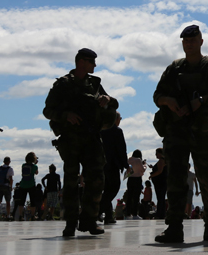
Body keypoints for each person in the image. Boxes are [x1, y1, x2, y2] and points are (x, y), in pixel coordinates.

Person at [153, 24, 208, 243]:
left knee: (206, 176)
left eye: (192, 40)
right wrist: (168, 101)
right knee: (176, 179)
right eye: (185, 41)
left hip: (202, 131)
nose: (188, 44)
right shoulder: (174, 68)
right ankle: (174, 228)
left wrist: (201, 101)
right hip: (176, 130)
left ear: (201, 41)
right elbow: (157, 94)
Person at [44, 48, 119, 237]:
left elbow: (114, 103)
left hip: (92, 138)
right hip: (71, 139)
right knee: (71, 181)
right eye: (91, 62)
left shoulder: (94, 83)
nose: (94, 65)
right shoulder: (63, 85)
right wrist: (65, 115)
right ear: (81, 62)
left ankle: (89, 220)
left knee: (96, 180)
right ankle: (70, 222)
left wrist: (107, 99)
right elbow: (48, 111)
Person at [100, 118, 128, 225]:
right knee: (114, 188)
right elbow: (121, 148)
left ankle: (108, 216)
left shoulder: (100, 130)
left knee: (107, 190)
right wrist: (125, 164)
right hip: (113, 164)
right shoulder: (116, 130)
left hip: (102, 163)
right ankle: (97, 211)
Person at [17, 152, 42, 221]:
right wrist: (35, 164)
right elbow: (36, 173)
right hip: (31, 184)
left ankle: (20, 215)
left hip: (23, 184)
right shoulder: (34, 166)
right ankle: (33, 216)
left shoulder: (23, 165)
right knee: (32, 201)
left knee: (22, 201)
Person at [126, 150, 146, 219]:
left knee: (129, 196)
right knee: (136, 197)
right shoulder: (138, 160)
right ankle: (135, 214)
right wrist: (144, 165)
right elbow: (142, 170)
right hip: (137, 179)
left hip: (130, 178)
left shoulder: (129, 159)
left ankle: (128, 213)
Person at [149, 148, 168, 219]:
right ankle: (161, 213)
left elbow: (159, 171)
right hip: (163, 181)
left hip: (160, 182)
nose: (156, 155)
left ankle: (160, 213)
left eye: (157, 153)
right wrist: (153, 167)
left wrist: (151, 175)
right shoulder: (165, 161)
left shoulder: (161, 161)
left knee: (160, 198)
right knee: (161, 197)